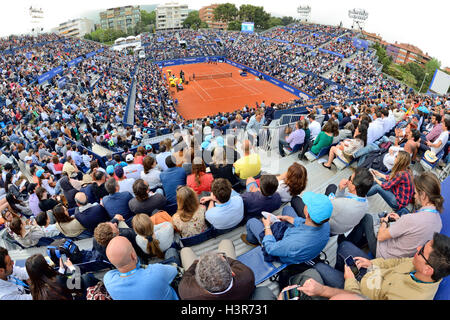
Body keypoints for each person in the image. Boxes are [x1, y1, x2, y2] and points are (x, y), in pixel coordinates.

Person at [312, 233, 450, 300]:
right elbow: (396, 262)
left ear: (428, 269)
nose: (418, 248)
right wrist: (372, 264)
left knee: (319, 267)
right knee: (344, 246)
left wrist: (350, 280)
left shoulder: (411, 297)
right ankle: (339, 274)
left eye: (421, 251)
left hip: (358, 291)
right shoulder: (421, 264)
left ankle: (338, 281)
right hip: (372, 272)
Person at [346, 171, 444, 259]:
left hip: (384, 253)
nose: (414, 196)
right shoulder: (438, 222)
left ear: (423, 195)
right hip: (401, 255)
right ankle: (363, 240)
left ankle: (349, 243)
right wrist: (400, 220)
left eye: (416, 193)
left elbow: (381, 237)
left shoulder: (411, 219)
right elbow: (413, 231)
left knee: (367, 218)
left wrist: (384, 221)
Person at [242, 192, 332, 265]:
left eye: (306, 204)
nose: (304, 204)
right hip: (300, 239)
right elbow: (304, 223)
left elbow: (271, 248)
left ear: (307, 214)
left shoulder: (295, 243)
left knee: (252, 222)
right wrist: (287, 218)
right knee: (287, 209)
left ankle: (252, 241)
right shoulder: (325, 223)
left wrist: (267, 227)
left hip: (284, 252)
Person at [178, 240, 275, 300]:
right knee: (226, 242)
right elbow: (236, 263)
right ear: (232, 273)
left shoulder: (186, 291)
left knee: (185, 250)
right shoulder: (246, 276)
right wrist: (223, 257)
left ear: (197, 280)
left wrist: (197, 262)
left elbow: (187, 275)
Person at [103, 236, 179, 300]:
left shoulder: (108, 279)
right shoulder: (157, 272)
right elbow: (175, 270)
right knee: (171, 251)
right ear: (133, 255)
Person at [326, 167, 373, 236]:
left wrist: (340, 189)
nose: (347, 180)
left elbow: (325, 206)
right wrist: (341, 190)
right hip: (342, 229)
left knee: (331, 188)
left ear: (354, 187)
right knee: (332, 187)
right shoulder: (366, 203)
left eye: (350, 178)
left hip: (330, 229)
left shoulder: (342, 204)